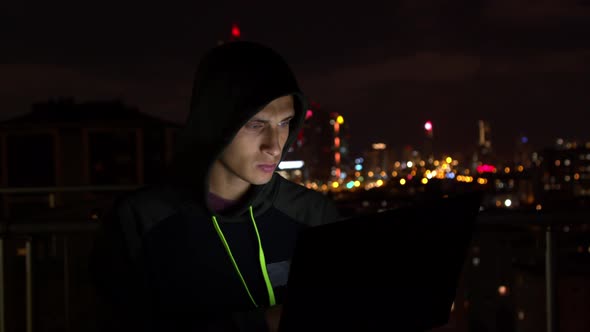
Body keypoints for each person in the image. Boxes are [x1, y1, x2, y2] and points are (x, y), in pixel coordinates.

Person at [89, 41, 339, 332]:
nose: (275, 146)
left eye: (284, 123)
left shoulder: (312, 213)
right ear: (215, 123)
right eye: (255, 125)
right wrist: (261, 323)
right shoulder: (139, 220)